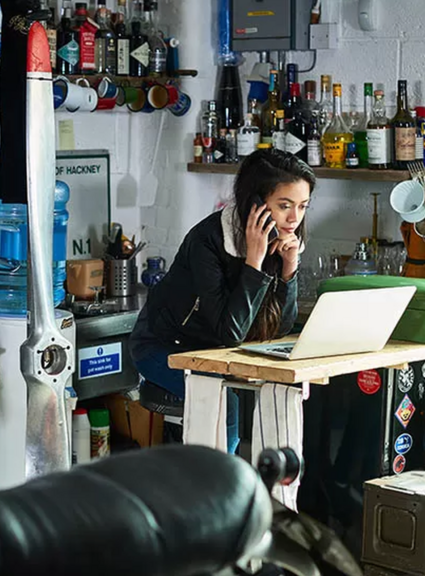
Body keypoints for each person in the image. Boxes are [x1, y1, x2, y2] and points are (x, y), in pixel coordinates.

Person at [131, 149, 315, 454]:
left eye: (302, 206)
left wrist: (288, 270)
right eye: (284, 206)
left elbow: (279, 329)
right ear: (255, 203)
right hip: (163, 349)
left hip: (214, 352)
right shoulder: (208, 241)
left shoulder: (284, 237)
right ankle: (219, 489)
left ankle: (261, 491)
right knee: (223, 403)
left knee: (282, 392)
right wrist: (254, 262)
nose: (294, 218)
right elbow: (226, 332)